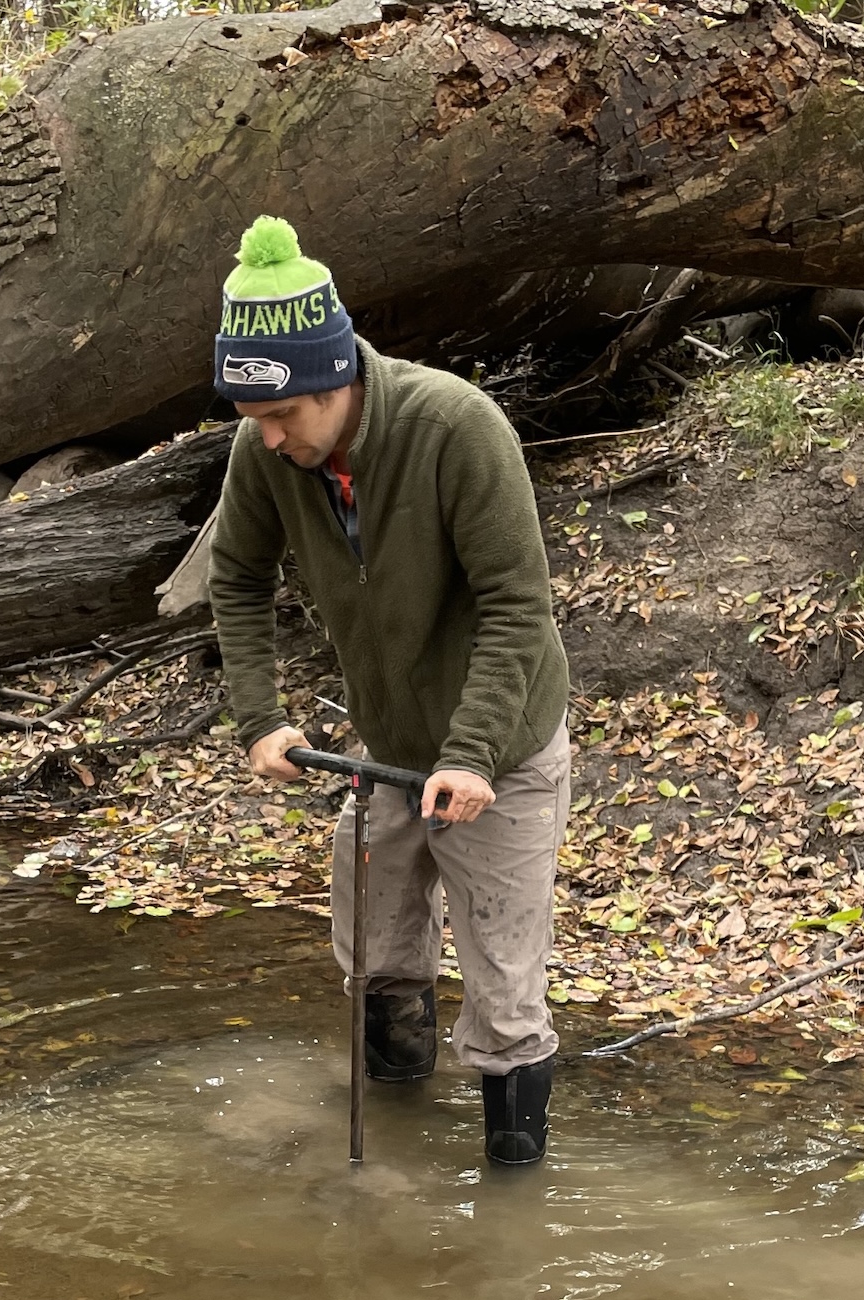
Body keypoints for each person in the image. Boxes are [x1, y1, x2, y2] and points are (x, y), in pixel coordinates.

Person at [206, 215, 572, 1165]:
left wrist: (474, 753)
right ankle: (395, 1150)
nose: (270, 437)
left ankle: (509, 1211)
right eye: (255, 418)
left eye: (284, 414)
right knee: (374, 956)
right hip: (389, 747)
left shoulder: (456, 428)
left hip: (503, 749)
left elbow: (518, 607)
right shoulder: (266, 452)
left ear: (336, 377)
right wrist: (261, 718)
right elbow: (237, 581)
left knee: (502, 992)